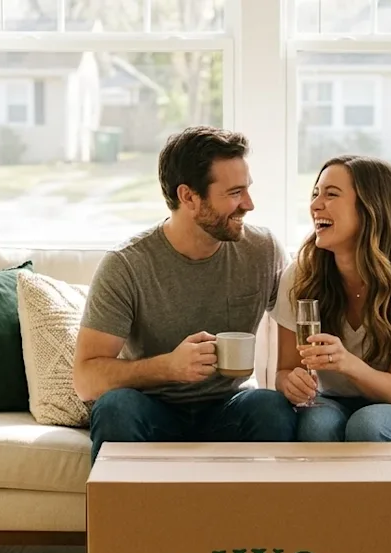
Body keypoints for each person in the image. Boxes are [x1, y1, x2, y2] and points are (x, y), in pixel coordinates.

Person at [74, 126, 296, 462]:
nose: (249, 204)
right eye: (234, 193)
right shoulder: (127, 265)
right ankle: (125, 516)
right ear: (189, 197)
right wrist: (168, 367)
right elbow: (85, 379)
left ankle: (256, 516)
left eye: (247, 189)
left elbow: (302, 314)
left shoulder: (261, 251)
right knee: (115, 407)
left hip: (228, 408)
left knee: (271, 408)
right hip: (152, 409)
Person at [272, 155, 391, 462]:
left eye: (331, 194)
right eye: (315, 194)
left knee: (368, 425)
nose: (316, 205)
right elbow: (283, 371)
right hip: (334, 400)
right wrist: (291, 383)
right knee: (316, 425)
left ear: (371, 208)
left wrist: (344, 362)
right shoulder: (300, 276)